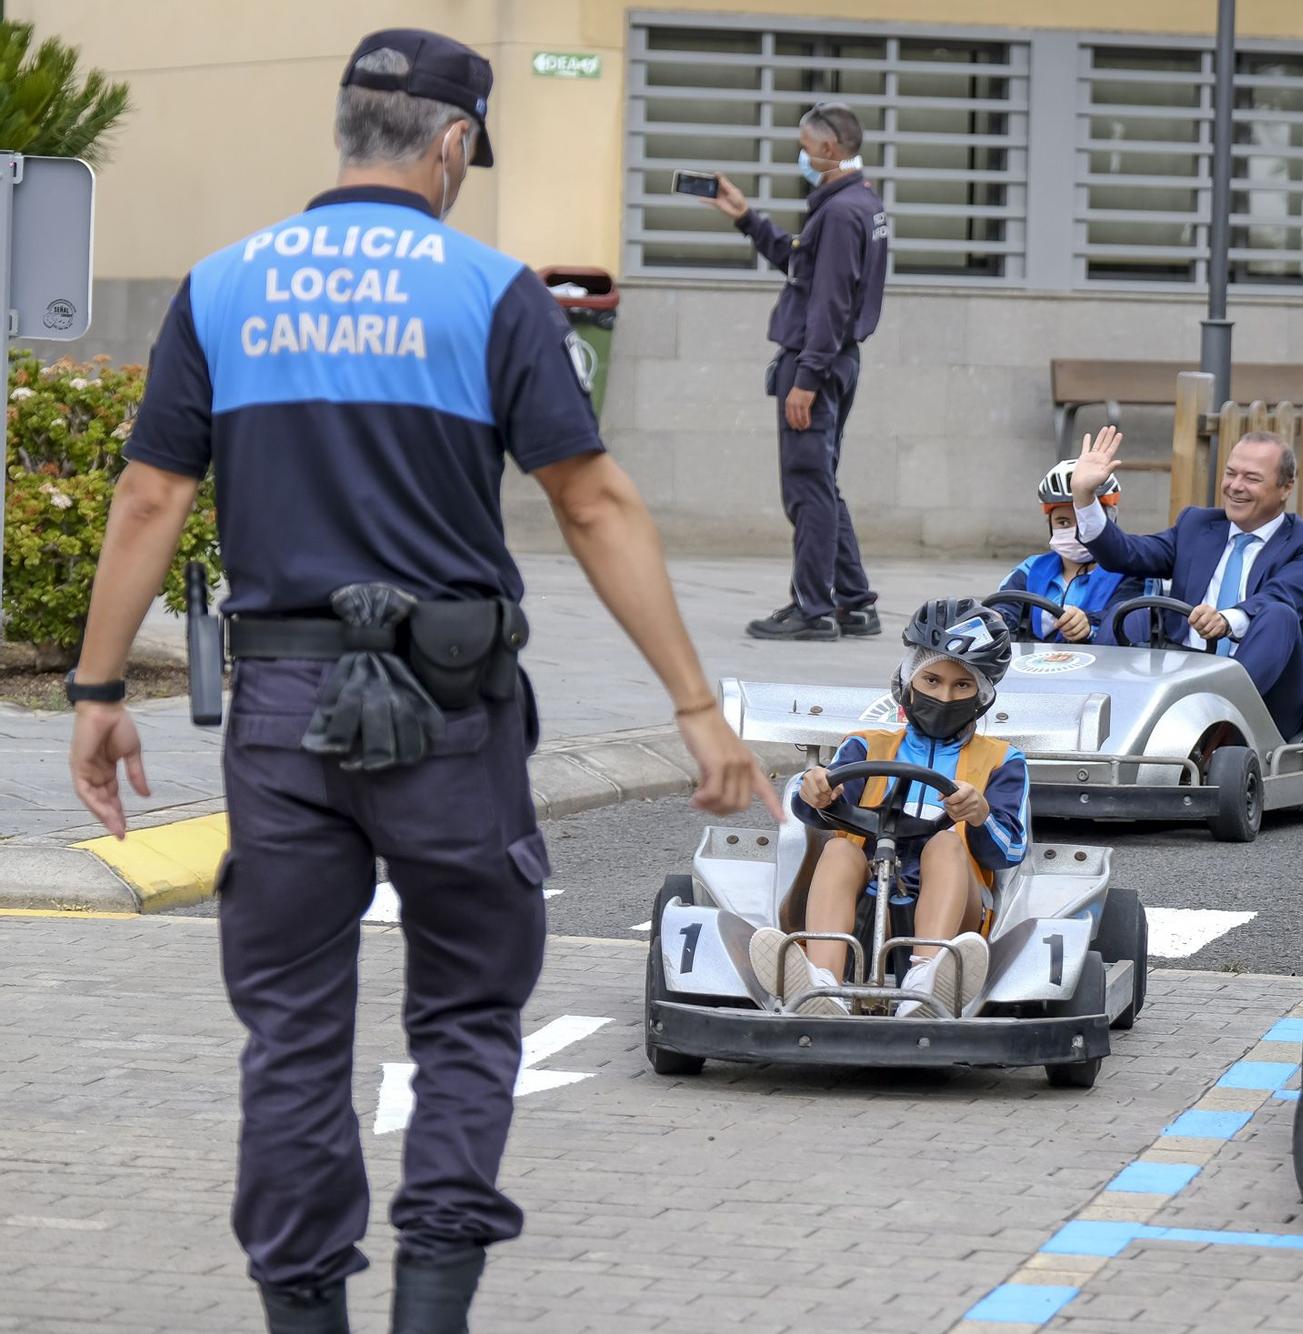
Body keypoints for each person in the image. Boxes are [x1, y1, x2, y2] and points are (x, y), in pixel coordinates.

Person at [63, 29, 779, 1334]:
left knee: (290, 1034)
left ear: (348, 129)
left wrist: (98, 693)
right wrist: (692, 701)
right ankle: (432, 1309)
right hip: (451, 715)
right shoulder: (492, 293)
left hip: (281, 718)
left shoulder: (223, 287)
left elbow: (151, 495)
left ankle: (303, 1315)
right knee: (462, 1018)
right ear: (451, 144)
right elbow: (594, 500)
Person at [752, 599, 1028, 1018]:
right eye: (932, 680)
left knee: (945, 844)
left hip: (958, 914)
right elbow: (814, 809)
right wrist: (817, 792)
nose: (944, 695)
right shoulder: (867, 745)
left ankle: (927, 980)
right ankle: (823, 985)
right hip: (862, 897)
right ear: (907, 680)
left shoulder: (1003, 761)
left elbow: (1008, 853)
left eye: (962, 686)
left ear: (982, 694)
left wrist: (980, 814)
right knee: (841, 849)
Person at [705, 102, 889, 641]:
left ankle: (812, 609)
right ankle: (854, 603)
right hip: (838, 360)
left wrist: (805, 379)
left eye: (805, 146)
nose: (801, 156)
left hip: (818, 362)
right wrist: (747, 219)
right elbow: (804, 269)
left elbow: (829, 303)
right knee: (821, 483)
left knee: (807, 489)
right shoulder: (860, 203)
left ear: (829, 149)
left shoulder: (838, 212)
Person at [1068, 427, 1303, 739]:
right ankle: (1103, 723)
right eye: (1230, 474)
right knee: (1131, 613)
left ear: (1286, 487)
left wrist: (1227, 620)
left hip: (1272, 696)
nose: (1235, 487)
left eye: (1251, 478)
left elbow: (1286, 596)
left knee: (1279, 616)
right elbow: (1129, 555)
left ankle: (1212, 730)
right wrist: (1085, 497)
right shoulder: (1198, 525)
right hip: (1183, 679)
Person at [994, 459, 1148, 646]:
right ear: (1050, 524)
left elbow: (1128, 618)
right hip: (1034, 670)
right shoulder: (1031, 569)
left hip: (1102, 669)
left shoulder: (1132, 572)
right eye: (1063, 522)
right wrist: (997, 617)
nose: (1075, 531)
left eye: (1084, 519)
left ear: (1109, 519)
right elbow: (1006, 606)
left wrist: (1089, 626)